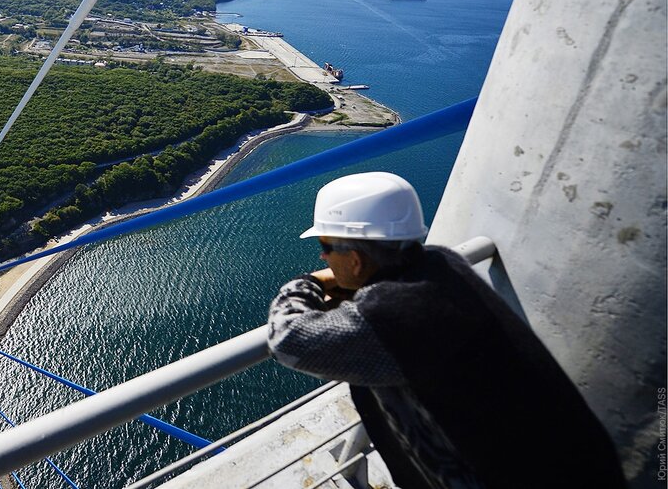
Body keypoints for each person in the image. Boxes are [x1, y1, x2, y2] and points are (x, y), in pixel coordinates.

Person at [266, 172, 624, 489]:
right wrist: (362, 288)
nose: (322, 259)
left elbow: (288, 339)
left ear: (356, 259)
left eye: (325, 248)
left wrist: (309, 284)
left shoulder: (391, 317)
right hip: (580, 464)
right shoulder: (443, 262)